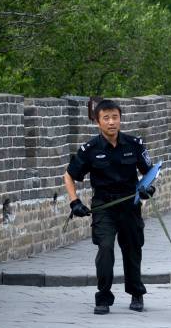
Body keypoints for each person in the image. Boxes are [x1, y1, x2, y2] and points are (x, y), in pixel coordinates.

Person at [63, 99, 155, 314]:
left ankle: (136, 293)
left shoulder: (135, 144)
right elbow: (69, 175)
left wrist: (147, 189)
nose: (111, 122)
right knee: (105, 248)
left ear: (120, 119)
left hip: (130, 204)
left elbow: (149, 172)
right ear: (97, 121)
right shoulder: (90, 149)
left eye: (115, 117)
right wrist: (74, 202)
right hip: (104, 206)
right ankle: (103, 297)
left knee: (133, 248)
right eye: (106, 118)